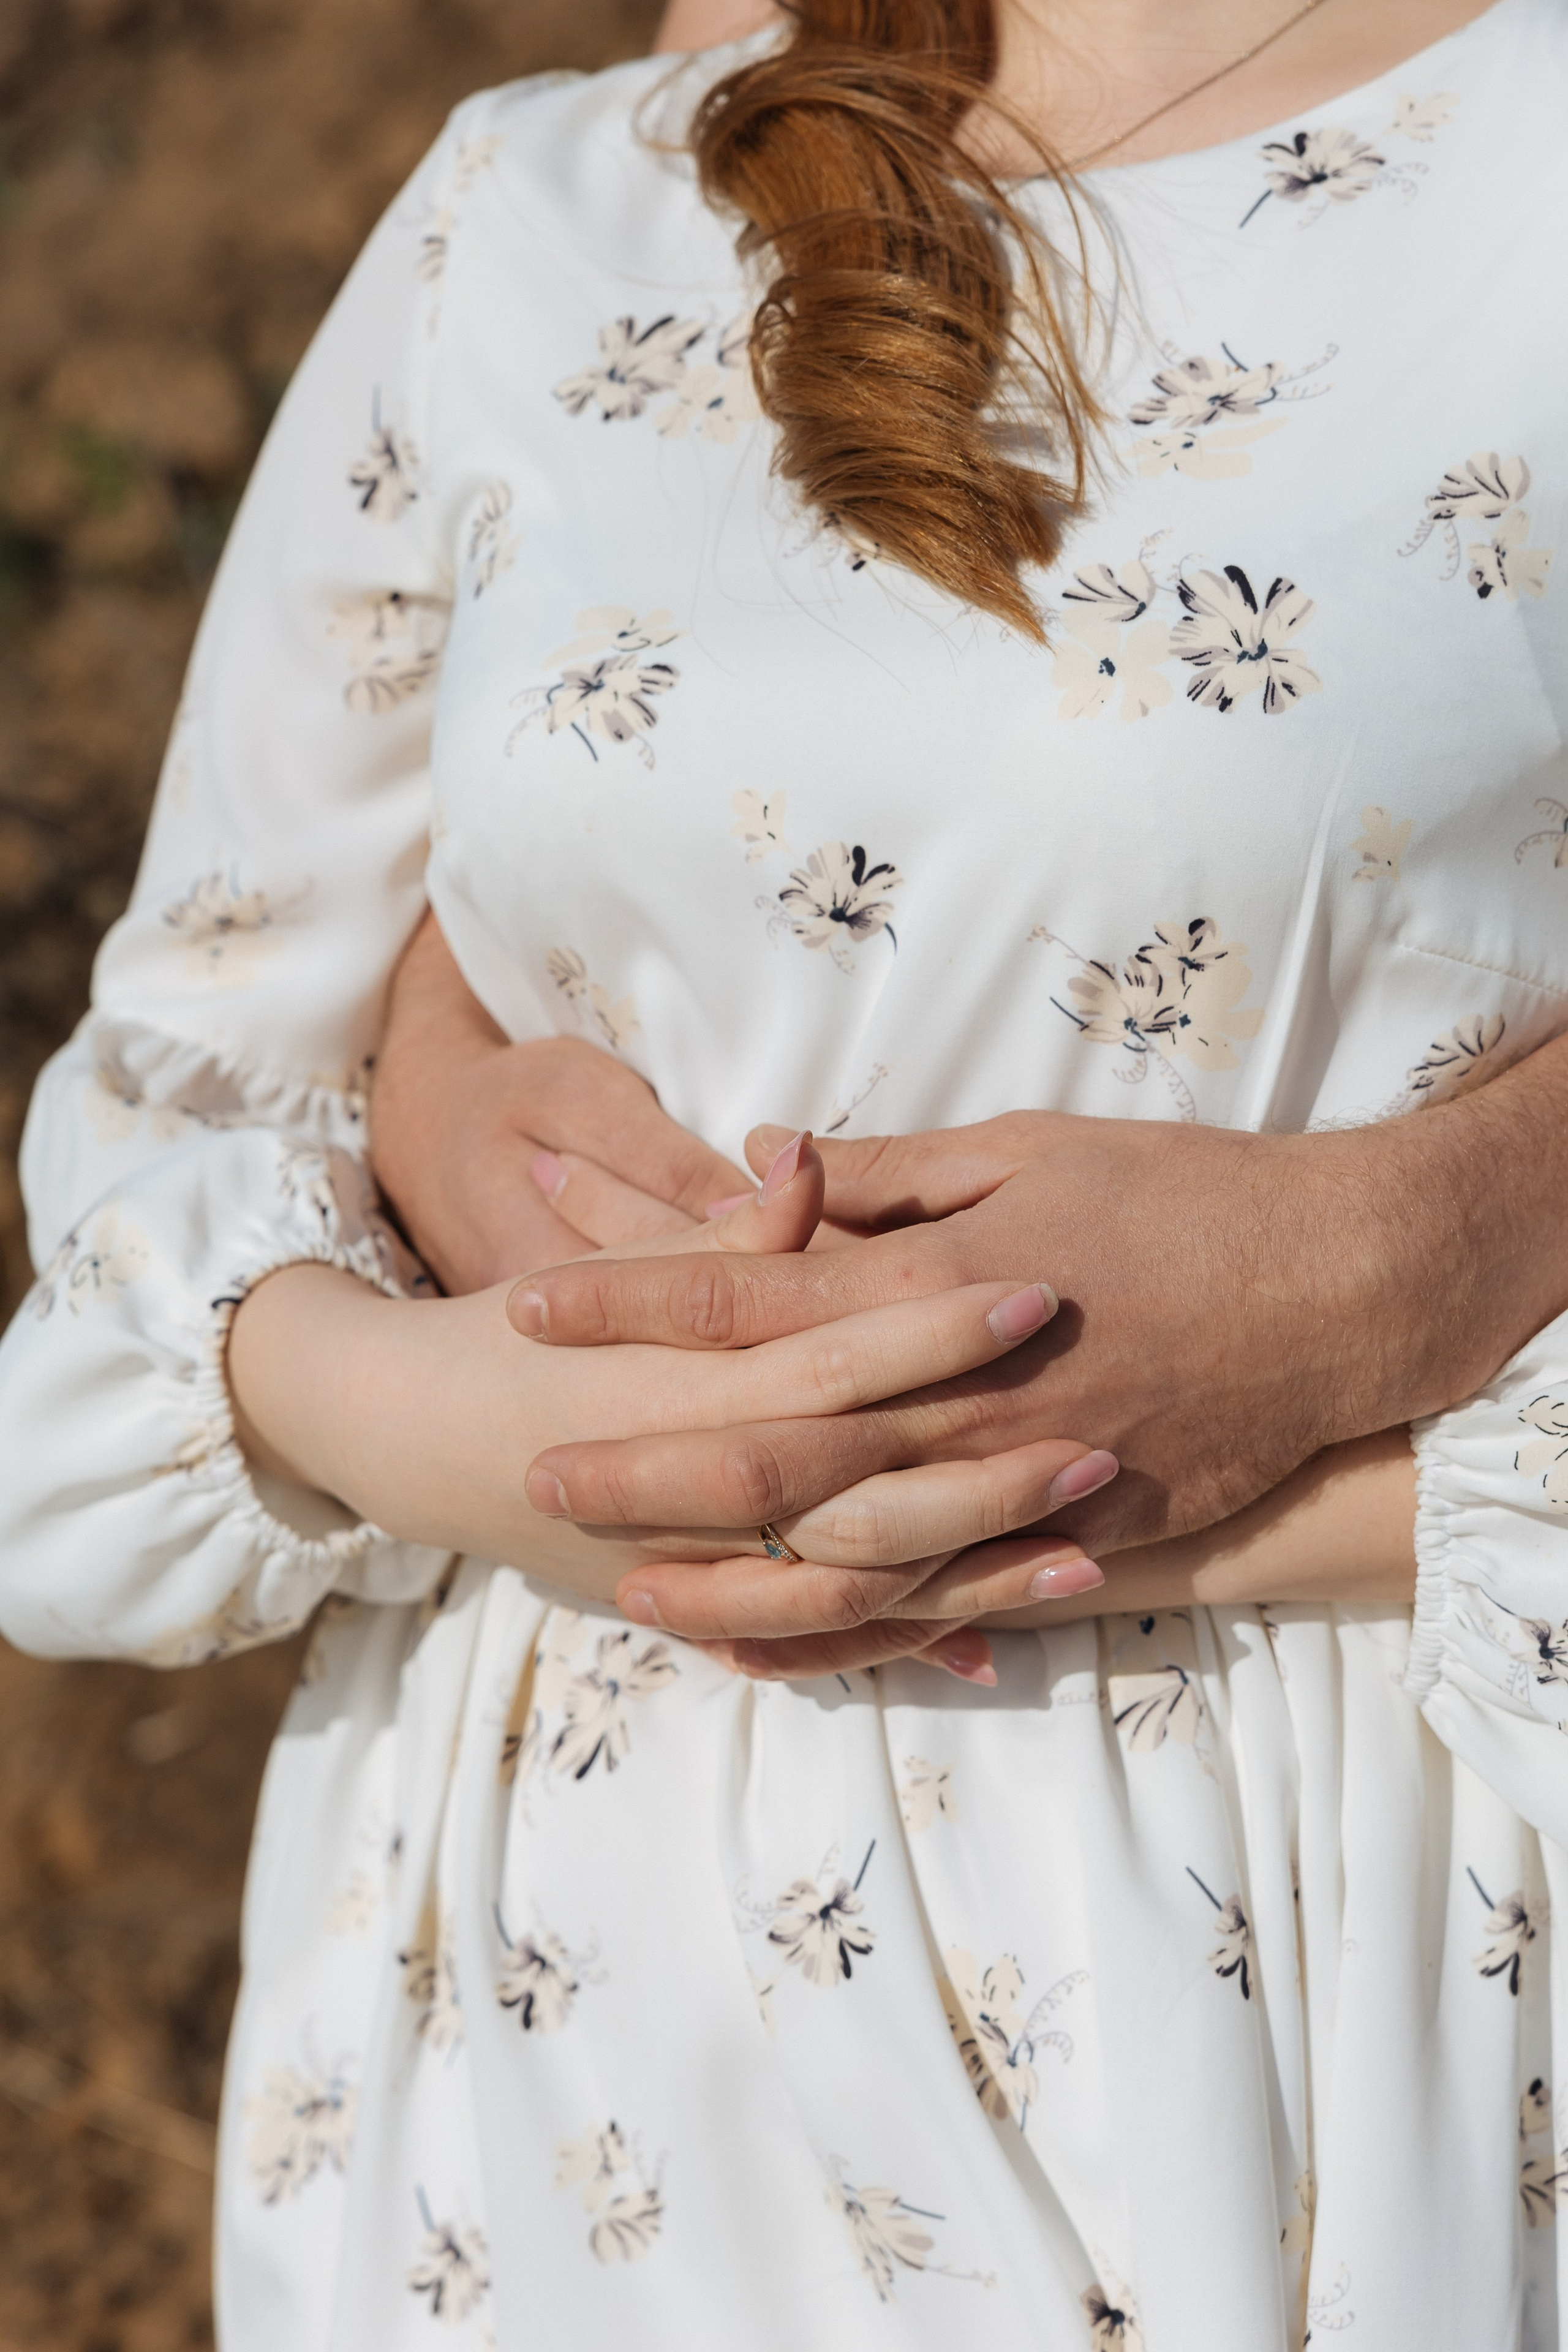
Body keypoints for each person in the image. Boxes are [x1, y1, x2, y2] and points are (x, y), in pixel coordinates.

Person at [1, 0, 1566, 2342]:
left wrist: (1388, 1261)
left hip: (1338, 1972)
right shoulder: (546, 207)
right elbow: (194, 1096)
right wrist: (457, 1409)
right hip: (559, 2030)